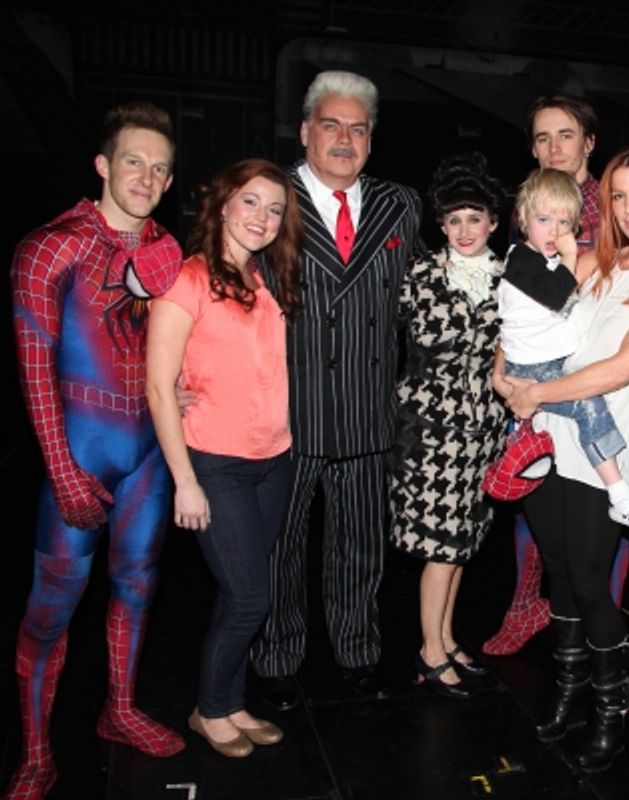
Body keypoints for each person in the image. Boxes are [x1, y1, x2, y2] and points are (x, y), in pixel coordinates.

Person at [498, 145, 629, 773]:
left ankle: (614, 703)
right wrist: (504, 373)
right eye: (618, 194)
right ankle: (566, 690)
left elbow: (620, 368)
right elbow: (527, 323)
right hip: (550, 438)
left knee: (590, 582)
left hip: (605, 454)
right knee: (559, 572)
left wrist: (535, 392)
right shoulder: (594, 266)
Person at [4, 102, 185, 799]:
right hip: (75, 453)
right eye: (134, 161)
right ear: (104, 165)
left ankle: (119, 709)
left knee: (137, 588)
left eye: (160, 167)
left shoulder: (167, 249)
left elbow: (177, 348)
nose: (147, 176)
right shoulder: (51, 246)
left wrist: (185, 391)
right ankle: (35, 751)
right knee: (50, 609)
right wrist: (60, 471)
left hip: (145, 458)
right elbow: (35, 369)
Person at [249, 70, 423, 711]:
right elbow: (223, 286)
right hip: (285, 412)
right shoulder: (270, 199)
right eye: (331, 125)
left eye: (358, 128)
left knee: (360, 547)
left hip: (368, 410)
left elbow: (420, 302)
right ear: (305, 132)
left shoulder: (400, 204)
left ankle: (357, 654)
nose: (344, 139)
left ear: (372, 140)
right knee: (280, 547)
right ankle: (275, 659)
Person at [146, 159, 302, 757]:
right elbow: (160, 387)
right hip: (215, 463)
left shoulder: (262, 277)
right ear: (223, 204)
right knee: (249, 597)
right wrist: (184, 480)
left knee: (239, 591)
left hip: (273, 460)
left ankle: (231, 701)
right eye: (251, 202)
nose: (262, 217)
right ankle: (208, 709)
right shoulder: (188, 278)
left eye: (274, 209)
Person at [481, 94, 628, 657]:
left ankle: (598, 633)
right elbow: (517, 306)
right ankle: (530, 610)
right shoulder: (535, 204)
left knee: (601, 511)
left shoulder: (618, 202)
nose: (552, 148)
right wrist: (502, 370)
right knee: (532, 494)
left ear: (589, 142)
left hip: (599, 379)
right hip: (537, 377)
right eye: (541, 138)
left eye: (565, 135)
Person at [387, 152, 508, 700]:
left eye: (474, 217)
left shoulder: (511, 280)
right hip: (430, 432)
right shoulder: (419, 274)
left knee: (462, 542)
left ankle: (447, 636)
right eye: (454, 219)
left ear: (493, 222)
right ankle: (429, 653)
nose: (464, 229)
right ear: (441, 224)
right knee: (440, 546)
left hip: (484, 430)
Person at [497, 167, 629, 532]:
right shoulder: (521, 260)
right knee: (589, 406)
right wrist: (570, 258)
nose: (555, 231)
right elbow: (554, 295)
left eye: (564, 222)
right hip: (536, 369)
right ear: (524, 219)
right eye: (544, 219)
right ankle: (621, 493)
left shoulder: (543, 261)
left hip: (542, 366)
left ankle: (524, 439)